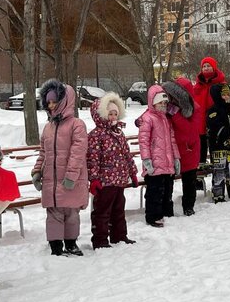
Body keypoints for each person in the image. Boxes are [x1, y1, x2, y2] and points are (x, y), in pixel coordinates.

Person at [32, 80, 89, 256]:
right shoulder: (48, 128)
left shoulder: (76, 125)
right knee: (54, 214)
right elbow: (43, 152)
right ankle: (56, 246)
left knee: (71, 214)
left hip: (70, 180)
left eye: (54, 101)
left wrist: (71, 176)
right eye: (48, 102)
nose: (51, 105)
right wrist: (37, 171)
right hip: (52, 181)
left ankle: (71, 243)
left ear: (64, 101)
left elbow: (78, 153)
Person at [87, 92, 139, 248]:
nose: (113, 117)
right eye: (110, 113)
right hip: (105, 181)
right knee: (102, 212)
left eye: (115, 113)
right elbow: (93, 159)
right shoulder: (96, 135)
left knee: (118, 209)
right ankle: (100, 239)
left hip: (120, 179)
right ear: (102, 114)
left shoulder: (119, 132)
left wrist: (132, 172)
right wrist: (94, 178)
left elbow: (126, 154)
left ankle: (119, 235)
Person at [138, 85, 181, 228]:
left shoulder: (165, 119)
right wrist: (146, 160)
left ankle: (167, 212)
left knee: (167, 189)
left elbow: (172, 140)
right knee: (155, 191)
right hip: (154, 164)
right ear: (152, 102)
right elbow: (143, 141)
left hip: (167, 163)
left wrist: (176, 158)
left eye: (164, 103)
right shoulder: (147, 118)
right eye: (160, 103)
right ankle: (153, 216)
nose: (163, 105)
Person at [162, 77, 203, 216]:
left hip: (189, 149)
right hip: (172, 150)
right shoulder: (167, 106)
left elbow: (190, 130)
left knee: (189, 181)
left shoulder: (194, 109)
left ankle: (188, 206)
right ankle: (167, 208)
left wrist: (176, 115)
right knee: (168, 182)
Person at [192, 57, 227, 168]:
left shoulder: (221, 84)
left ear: (214, 67)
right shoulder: (197, 85)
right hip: (200, 121)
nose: (206, 68)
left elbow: (227, 103)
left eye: (208, 66)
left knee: (216, 149)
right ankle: (199, 179)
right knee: (201, 150)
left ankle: (218, 176)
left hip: (216, 121)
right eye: (204, 66)